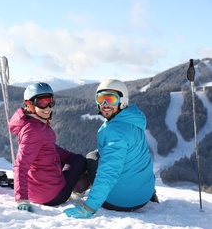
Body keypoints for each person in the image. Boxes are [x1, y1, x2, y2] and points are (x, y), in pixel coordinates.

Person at [64, 79, 158, 219]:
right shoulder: (133, 120)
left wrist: (90, 207)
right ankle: (149, 192)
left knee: (92, 157)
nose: (105, 104)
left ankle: (79, 189)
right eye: (101, 99)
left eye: (111, 99)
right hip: (144, 195)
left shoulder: (115, 132)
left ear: (122, 100)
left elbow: (108, 172)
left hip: (120, 202)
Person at [9, 82, 89, 212]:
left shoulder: (33, 124)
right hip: (54, 197)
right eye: (42, 102)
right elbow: (20, 165)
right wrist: (21, 199)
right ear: (29, 103)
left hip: (36, 192)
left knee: (75, 159)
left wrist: (70, 157)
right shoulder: (34, 130)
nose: (48, 107)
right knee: (79, 160)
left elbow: (47, 147)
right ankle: (78, 190)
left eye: (50, 101)